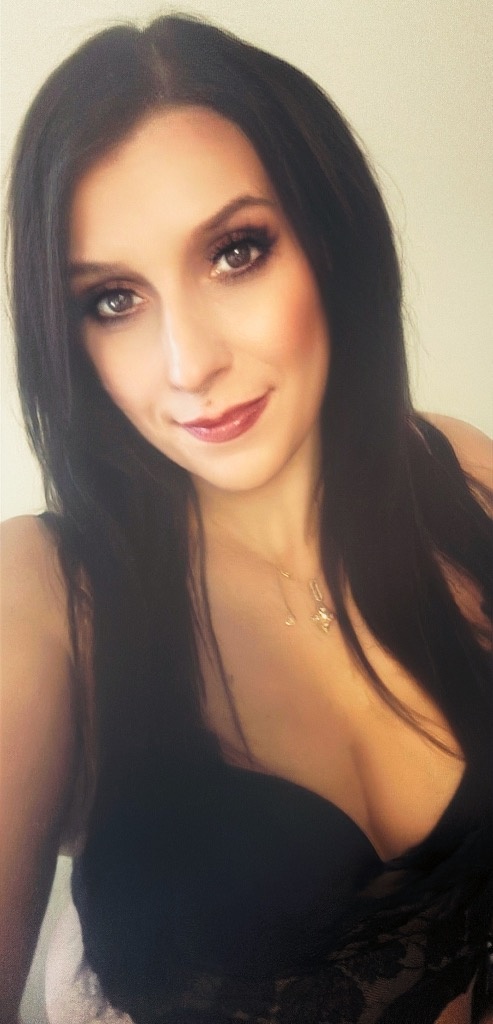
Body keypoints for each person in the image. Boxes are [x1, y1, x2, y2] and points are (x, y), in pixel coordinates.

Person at [1, 13, 491, 1024]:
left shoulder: (463, 472)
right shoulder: (41, 597)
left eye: (235, 252)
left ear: (330, 240)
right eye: (112, 299)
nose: (189, 364)